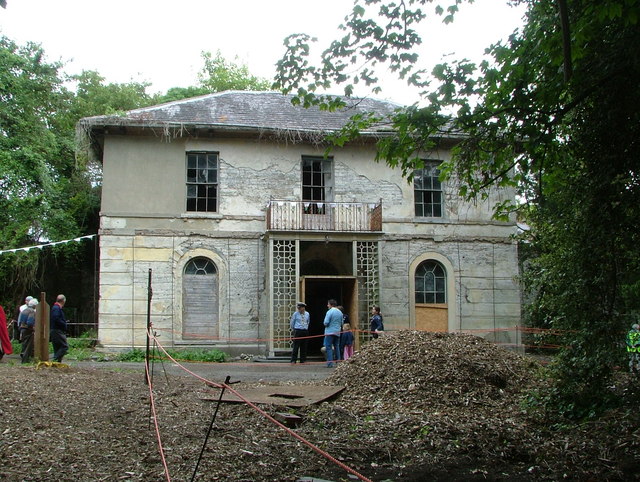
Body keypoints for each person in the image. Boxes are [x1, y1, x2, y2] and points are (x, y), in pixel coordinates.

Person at [323, 299, 343, 367]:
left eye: (328, 304)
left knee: (328, 347)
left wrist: (327, 325)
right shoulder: (340, 312)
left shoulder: (329, 312)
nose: (327, 305)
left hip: (330, 332)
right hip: (337, 331)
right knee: (337, 346)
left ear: (331, 305)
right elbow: (342, 323)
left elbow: (326, 322)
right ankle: (338, 361)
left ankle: (330, 363)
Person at [50, 294, 69, 363]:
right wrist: (63, 324)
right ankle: (55, 360)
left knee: (57, 347)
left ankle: (57, 363)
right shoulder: (56, 308)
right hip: (57, 330)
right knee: (64, 346)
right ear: (63, 301)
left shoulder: (55, 308)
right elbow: (56, 318)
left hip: (55, 330)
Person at [18, 298, 38, 363]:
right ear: (34, 305)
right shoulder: (32, 311)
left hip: (22, 328)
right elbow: (30, 322)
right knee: (28, 345)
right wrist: (33, 328)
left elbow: (20, 321)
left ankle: (23, 357)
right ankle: (25, 360)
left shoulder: (24, 310)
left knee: (24, 344)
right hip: (27, 330)